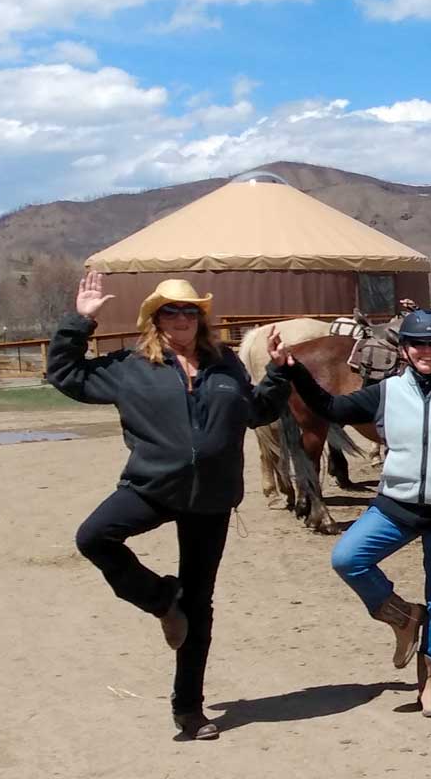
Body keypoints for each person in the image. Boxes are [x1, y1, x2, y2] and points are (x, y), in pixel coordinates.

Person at [50, 273, 286, 741]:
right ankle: (161, 598)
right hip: (153, 485)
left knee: (200, 605)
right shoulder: (130, 366)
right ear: (154, 320)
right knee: (94, 537)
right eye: (170, 312)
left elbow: (258, 412)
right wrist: (81, 321)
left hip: (212, 498)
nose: (180, 319)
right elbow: (66, 374)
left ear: (201, 318)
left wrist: (279, 372)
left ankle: (189, 709)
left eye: (189, 311)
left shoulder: (227, 366)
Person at [268, 309, 431, 719]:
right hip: (397, 508)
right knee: (347, 558)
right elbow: (331, 408)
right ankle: (402, 615)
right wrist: (294, 369)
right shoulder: (385, 393)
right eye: (418, 343)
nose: (427, 350)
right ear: (405, 349)